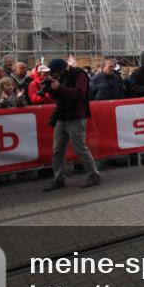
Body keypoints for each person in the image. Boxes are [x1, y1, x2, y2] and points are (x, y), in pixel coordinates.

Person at [42, 58, 101, 191]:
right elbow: (59, 97)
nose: (55, 74)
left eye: (56, 72)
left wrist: (60, 87)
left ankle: (94, 175)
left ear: (62, 69)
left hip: (76, 116)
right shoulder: (61, 76)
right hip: (62, 116)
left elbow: (79, 94)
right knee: (57, 150)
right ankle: (58, 178)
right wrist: (51, 90)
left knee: (80, 147)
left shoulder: (79, 74)